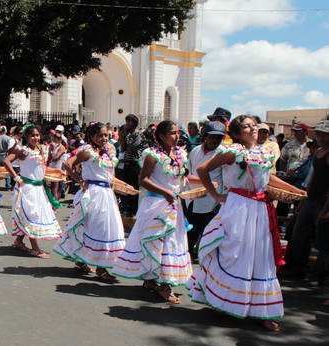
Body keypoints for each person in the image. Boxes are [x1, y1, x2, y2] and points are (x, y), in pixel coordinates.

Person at [188, 115, 306, 332]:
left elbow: (267, 178)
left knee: (260, 256)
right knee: (233, 253)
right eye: (246, 126)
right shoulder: (232, 152)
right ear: (235, 133)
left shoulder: (264, 152)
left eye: (254, 125)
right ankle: (223, 299)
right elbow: (203, 170)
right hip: (238, 206)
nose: (252, 129)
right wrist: (216, 195)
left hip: (260, 208)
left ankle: (263, 310)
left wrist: (295, 190)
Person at [113, 120, 195, 303]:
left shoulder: (180, 154)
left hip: (173, 205)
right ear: (161, 136)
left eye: (178, 133)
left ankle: (152, 279)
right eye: (173, 133)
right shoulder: (152, 155)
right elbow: (143, 180)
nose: (177, 136)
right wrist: (165, 192)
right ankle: (164, 284)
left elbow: (185, 177)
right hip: (156, 204)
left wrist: (206, 183)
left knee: (170, 242)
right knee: (158, 241)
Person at [54, 122, 125, 281]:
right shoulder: (88, 152)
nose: (104, 138)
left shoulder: (108, 151)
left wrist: (122, 184)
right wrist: (80, 180)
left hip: (107, 193)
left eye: (106, 135)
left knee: (96, 228)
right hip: (94, 194)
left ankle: (81, 261)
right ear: (92, 136)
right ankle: (101, 267)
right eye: (100, 135)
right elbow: (67, 164)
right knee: (99, 229)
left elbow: (107, 174)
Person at [3, 124, 62, 258]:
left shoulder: (41, 149)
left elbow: (41, 168)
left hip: (39, 188)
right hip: (28, 188)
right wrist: (16, 177)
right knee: (31, 216)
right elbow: (6, 161)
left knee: (31, 215)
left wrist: (56, 172)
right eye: (32, 135)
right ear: (26, 137)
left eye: (37, 135)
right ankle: (35, 248)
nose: (36, 138)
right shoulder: (23, 150)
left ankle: (19, 241)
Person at [283, 121, 329, 279]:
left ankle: (319, 277)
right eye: (319, 134)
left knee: (323, 242)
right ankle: (298, 268)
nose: (321, 138)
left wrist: (325, 210)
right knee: (297, 234)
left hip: (323, 202)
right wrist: (303, 201)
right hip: (310, 200)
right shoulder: (318, 153)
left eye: (325, 135)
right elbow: (312, 179)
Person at [184, 121, 226, 260]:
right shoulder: (195, 151)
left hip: (211, 203)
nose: (215, 140)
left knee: (208, 237)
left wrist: (219, 203)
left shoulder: (223, 154)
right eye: (212, 136)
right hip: (191, 200)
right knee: (189, 236)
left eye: (218, 137)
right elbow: (188, 174)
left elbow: (225, 180)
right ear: (205, 136)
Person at [120, 114, 146, 217]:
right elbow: (123, 149)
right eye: (126, 122)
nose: (127, 124)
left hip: (134, 163)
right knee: (127, 186)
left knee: (134, 187)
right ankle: (128, 206)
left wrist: (126, 142)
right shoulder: (127, 135)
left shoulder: (137, 135)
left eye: (129, 122)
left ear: (134, 123)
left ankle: (134, 209)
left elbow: (132, 148)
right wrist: (122, 137)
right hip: (127, 163)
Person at [47, 132, 68, 201]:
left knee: (55, 188)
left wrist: (49, 162)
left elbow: (56, 157)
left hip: (57, 168)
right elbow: (50, 156)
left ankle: (55, 204)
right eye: (53, 140)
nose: (54, 141)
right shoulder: (55, 147)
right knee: (52, 187)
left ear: (60, 140)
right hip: (52, 168)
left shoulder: (62, 147)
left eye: (55, 140)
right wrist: (50, 149)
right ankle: (53, 202)